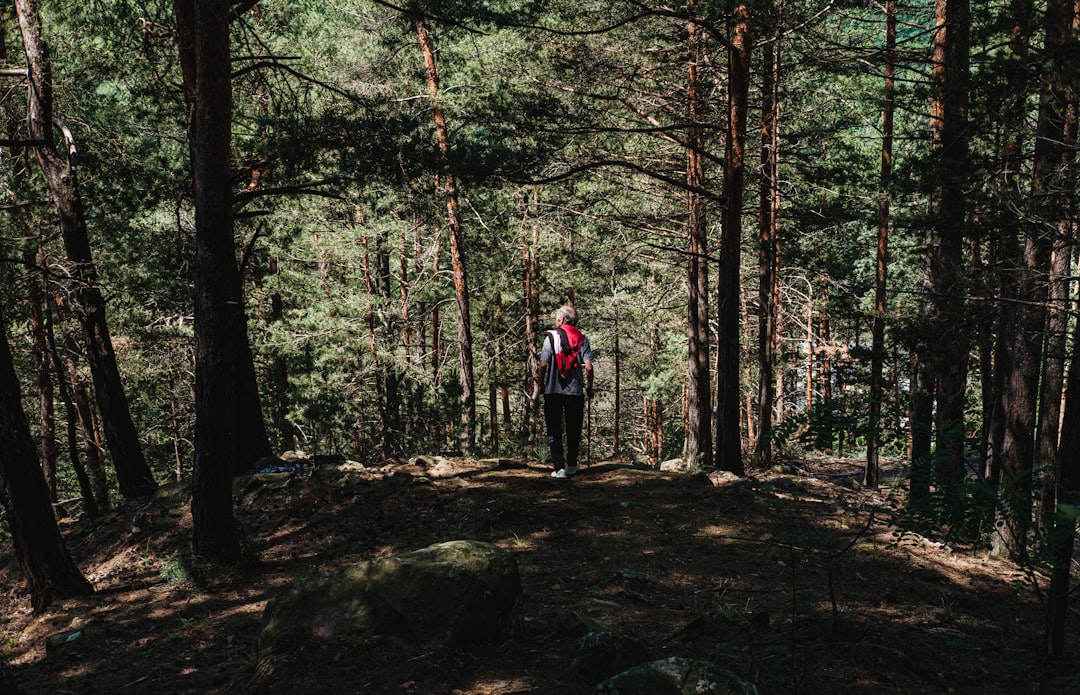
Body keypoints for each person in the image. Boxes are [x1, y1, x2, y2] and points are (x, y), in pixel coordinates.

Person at [538, 304, 594, 478]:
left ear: (562, 319)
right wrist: (590, 387)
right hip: (575, 391)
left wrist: (541, 385)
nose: (556, 319)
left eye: (557, 317)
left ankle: (559, 468)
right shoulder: (583, 339)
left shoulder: (551, 337)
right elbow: (589, 367)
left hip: (553, 391)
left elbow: (543, 365)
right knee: (574, 428)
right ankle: (571, 464)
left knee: (554, 429)